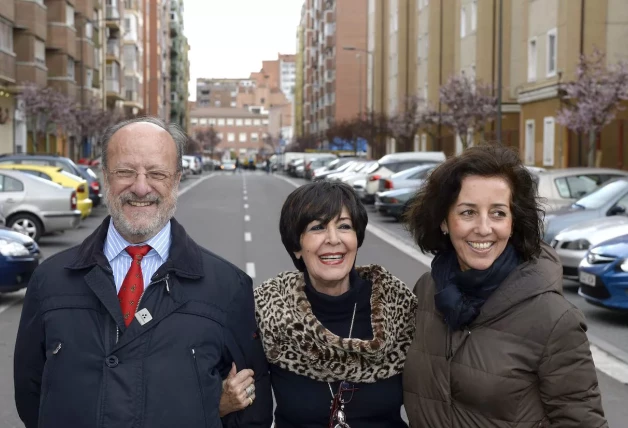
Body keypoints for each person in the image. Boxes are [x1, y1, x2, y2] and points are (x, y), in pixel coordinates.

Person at [13, 117, 272, 428]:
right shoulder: (49, 281)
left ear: (176, 180)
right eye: (125, 171)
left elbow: (251, 414)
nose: (140, 186)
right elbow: (32, 398)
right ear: (104, 176)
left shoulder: (228, 288)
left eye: (156, 173)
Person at [402, 145, 607, 427]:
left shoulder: (553, 318)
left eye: (498, 213)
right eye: (468, 212)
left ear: (513, 222)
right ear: (444, 221)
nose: (484, 228)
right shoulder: (426, 291)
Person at [221, 181, 417, 426]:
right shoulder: (268, 309)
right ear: (296, 247)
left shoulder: (399, 307)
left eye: (344, 226)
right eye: (317, 228)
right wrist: (222, 403)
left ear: (357, 238)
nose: (333, 239)